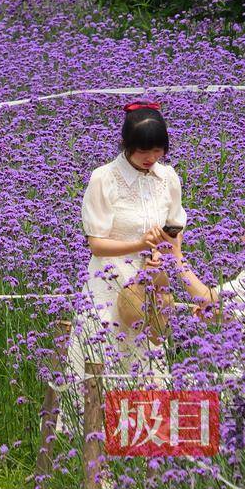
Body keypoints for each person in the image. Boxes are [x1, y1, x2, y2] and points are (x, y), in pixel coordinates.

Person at [67, 100, 187, 394]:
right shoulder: (104, 178)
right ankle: (92, 433)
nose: (151, 157)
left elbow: (175, 226)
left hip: (150, 278)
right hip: (109, 280)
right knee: (102, 352)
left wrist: (167, 253)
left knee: (148, 357)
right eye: (144, 150)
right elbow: (96, 244)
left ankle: (144, 433)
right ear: (126, 144)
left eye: (158, 151)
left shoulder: (168, 177)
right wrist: (139, 243)